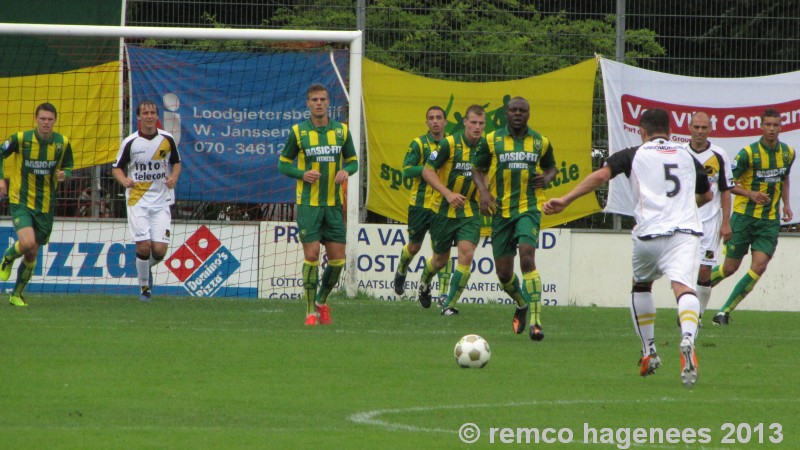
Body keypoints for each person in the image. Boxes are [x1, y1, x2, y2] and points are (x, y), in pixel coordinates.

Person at [543, 108, 711, 387]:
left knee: (641, 286)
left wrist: (566, 199)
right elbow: (706, 194)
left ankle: (649, 351)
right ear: (670, 131)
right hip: (685, 233)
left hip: (648, 235)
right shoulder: (688, 156)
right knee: (684, 289)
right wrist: (683, 208)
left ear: (642, 132)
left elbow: (601, 177)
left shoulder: (633, 153)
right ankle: (688, 338)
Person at [471, 97, 556, 341]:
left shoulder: (540, 141)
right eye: (513, 110)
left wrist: (547, 178)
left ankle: (536, 323)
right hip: (500, 211)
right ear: (506, 114)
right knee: (504, 274)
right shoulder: (491, 139)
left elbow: (552, 168)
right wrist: (484, 192)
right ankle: (521, 303)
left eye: (522, 110)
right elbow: (477, 168)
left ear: (528, 114)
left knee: (527, 256)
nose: (517, 114)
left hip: (528, 207)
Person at [278, 83, 358, 326]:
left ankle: (322, 302)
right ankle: (310, 312)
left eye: (323, 99)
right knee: (311, 255)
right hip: (309, 205)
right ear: (308, 103)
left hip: (334, 205)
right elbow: (283, 164)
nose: (319, 103)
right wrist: (302, 174)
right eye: (314, 100)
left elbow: (354, 161)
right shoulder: (298, 132)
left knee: (338, 260)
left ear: (328, 102)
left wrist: (346, 171)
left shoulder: (342, 132)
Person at [708, 109, 794, 325]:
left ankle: (724, 312)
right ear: (761, 126)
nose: (772, 129)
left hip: (769, 221)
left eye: (776, 125)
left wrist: (787, 205)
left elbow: (784, 179)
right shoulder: (747, 153)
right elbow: (728, 184)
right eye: (768, 125)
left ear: (780, 126)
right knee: (729, 268)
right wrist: (750, 194)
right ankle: (693, 292)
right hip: (744, 217)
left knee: (759, 266)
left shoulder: (788, 153)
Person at [0, 102, 74, 306]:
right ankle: (7, 257)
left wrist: (64, 174)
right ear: (36, 119)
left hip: (46, 205)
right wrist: (1, 179)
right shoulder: (21, 139)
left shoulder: (63, 143)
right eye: (42, 119)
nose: (46, 123)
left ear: (55, 121)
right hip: (20, 200)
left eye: (50, 119)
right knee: (27, 243)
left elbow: (69, 166)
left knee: (32, 252)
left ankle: (16, 295)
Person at [416, 105, 486, 315]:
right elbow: (428, 172)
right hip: (442, 210)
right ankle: (425, 281)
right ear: (464, 122)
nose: (477, 127)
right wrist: (447, 193)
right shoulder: (449, 143)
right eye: (473, 122)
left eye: (481, 123)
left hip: (469, 211)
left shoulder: (487, 146)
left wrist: (486, 193)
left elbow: (486, 172)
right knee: (440, 260)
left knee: (467, 254)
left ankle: (449, 305)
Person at [112, 100, 182, 301]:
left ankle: (143, 268)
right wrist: (124, 179)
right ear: (138, 117)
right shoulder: (131, 142)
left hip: (161, 202)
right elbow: (116, 167)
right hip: (137, 201)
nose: (150, 116)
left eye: (153, 112)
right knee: (143, 246)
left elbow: (177, 163)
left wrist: (174, 178)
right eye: (146, 113)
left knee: (159, 251)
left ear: (157, 116)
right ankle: (144, 288)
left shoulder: (167, 139)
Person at [393, 106, 452, 301]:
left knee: (442, 250)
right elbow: (407, 170)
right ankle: (402, 268)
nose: (435, 121)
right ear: (426, 122)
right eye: (431, 118)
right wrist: (429, 169)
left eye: (439, 118)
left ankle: (442, 293)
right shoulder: (419, 144)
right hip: (419, 204)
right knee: (414, 247)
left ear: (445, 121)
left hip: (442, 205)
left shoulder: (452, 144)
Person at [685, 112, 734, 324]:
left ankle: (698, 315)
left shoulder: (719, 154)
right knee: (686, 269)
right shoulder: (680, 153)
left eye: (704, 128)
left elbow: (725, 190)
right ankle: (686, 311)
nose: (700, 132)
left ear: (710, 129)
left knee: (705, 270)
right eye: (696, 127)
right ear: (689, 127)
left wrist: (726, 222)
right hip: (685, 220)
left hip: (710, 220)